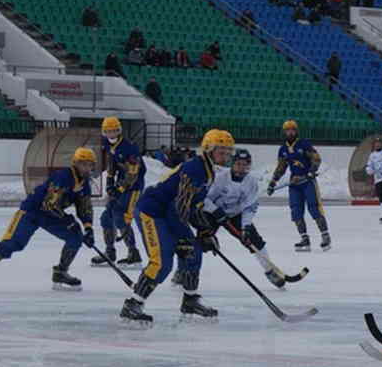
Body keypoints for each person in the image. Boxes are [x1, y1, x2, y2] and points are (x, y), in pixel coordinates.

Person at [119, 130, 235, 325]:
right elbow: (180, 206)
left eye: (227, 152)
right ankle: (133, 304)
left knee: (193, 252)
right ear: (208, 149)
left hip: (170, 213)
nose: (225, 156)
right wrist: (192, 233)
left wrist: (205, 231)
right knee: (162, 262)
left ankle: (190, 300)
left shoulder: (208, 170)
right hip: (152, 211)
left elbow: (194, 205)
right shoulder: (195, 168)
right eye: (221, 151)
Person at [0, 147, 96, 291]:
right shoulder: (62, 177)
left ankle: (61, 272)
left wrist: (88, 228)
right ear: (75, 163)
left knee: (76, 237)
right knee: (12, 245)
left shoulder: (85, 185)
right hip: (31, 211)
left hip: (50, 216)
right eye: (83, 164)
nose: (86, 168)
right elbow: (49, 204)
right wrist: (69, 221)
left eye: (89, 164)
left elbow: (84, 207)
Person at [191, 149, 294, 289]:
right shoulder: (220, 177)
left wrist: (245, 227)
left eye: (245, 164)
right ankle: (186, 272)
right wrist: (216, 211)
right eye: (238, 164)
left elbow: (249, 207)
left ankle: (270, 271)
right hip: (212, 213)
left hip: (235, 215)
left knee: (254, 240)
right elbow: (205, 198)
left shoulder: (251, 182)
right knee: (201, 242)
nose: (241, 167)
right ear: (232, 164)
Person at [266, 120, 331, 252]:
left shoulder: (304, 144)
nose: (290, 132)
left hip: (307, 182)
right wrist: (273, 182)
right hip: (294, 184)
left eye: (293, 130)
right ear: (284, 132)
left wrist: (311, 172)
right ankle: (304, 238)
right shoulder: (283, 149)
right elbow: (281, 167)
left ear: (296, 131)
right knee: (296, 210)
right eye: (287, 130)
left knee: (314, 208)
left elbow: (316, 158)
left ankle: (325, 236)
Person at [92, 117, 145, 269]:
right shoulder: (108, 145)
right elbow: (111, 164)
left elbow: (133, 174)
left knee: (121, 216)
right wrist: (109, 182)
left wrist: (119, 188)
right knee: (106, 218)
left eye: (114, 130)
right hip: (120, 184)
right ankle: (110, 252)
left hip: (133, 187)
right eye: (108, 131)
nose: (111, 134)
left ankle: (133, 254)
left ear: (119, 130)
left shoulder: (130, 147)